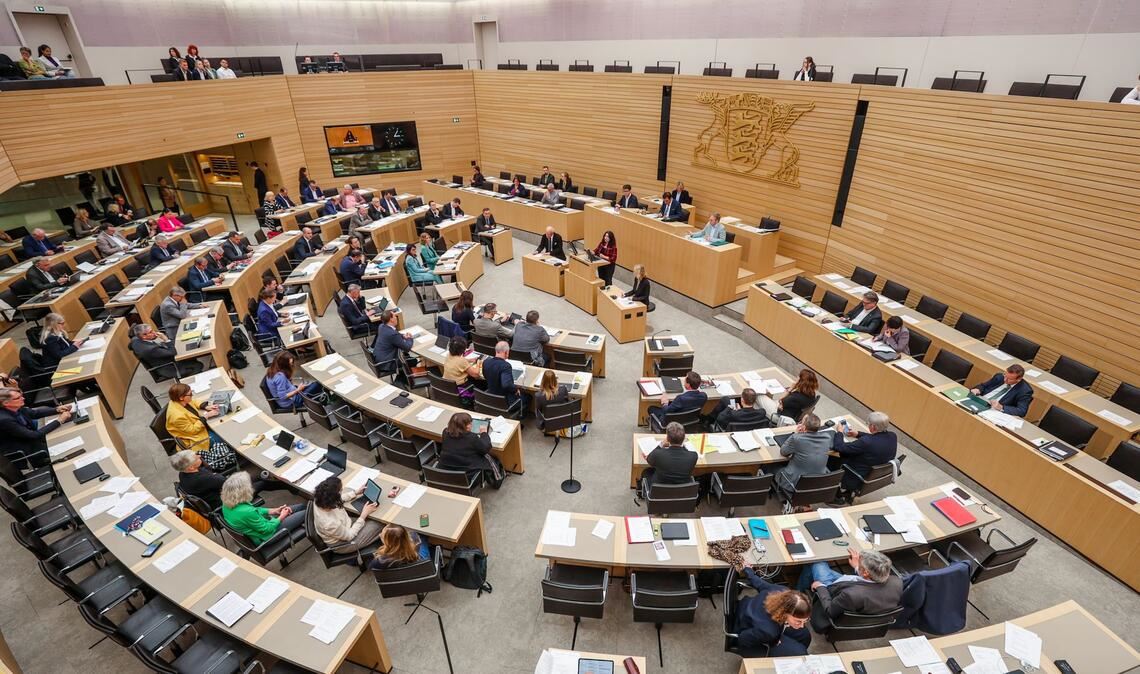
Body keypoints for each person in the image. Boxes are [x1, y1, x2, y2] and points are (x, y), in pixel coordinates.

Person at [801, 548, 903, 634]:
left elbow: (830, 610)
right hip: (855, 588)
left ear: (866, 573)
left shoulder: (851, 595)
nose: (858, 560)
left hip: (832, 594)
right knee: (813, 567)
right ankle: (799, 592)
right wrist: (858, 568)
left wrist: (820, 587)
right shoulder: (897, 582)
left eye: (860, 562)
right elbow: (868, 582)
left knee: (817, 562)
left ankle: (799, 595)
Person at [732, 561, 812, 655]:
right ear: (785, 612)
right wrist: (771, 641)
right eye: (798, 621)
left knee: (804, 634)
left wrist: (748, 570)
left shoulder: (782, 591)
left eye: (805, 621)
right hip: (744, 630)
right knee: (800, 651)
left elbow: (759, 583)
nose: (802, 625)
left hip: (749, 608)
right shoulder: (769, 631)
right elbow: (743, 639)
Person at [828, 412, 898, 505]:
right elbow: (877, 438)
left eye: (868, 424)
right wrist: (857, 434)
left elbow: (839, 447)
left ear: (872, 427)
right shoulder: (893, 436)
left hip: (856, 473)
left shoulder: (866, 442)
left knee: (832, 456)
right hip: (873, 473)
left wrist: (840, 432)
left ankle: (835, 495)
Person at [221, 472, 307, 546]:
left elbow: (254, 510)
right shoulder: (246, 512)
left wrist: (273, 510)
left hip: (263, 525)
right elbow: (267, 529)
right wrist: (281, 517)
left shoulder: (227, 503)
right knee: (306, 513)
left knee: (302, 506)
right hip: (268, 536)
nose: (251, 488)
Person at [166, 382, 236, 471]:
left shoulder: (178, 401)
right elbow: (193, 430)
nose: (192, 395)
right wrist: (206, 416)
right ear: (181, 397)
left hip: (196, 431)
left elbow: (193, 402)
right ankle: (233, 454)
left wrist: (206, 406)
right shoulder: (177, 416)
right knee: (224, 436)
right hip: (195, 439)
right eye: (190, 394)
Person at [0, 388, 72, 468]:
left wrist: (56, 409)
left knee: (66, 436)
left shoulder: (15, 408)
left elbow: (34, 413)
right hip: (29, 453)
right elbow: (33, 435)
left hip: (34, 441)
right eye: (18, 398)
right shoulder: (5, 420)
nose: (23, 398)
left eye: (21, 396)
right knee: (68, 450)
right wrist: (59, 420)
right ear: (6, 403)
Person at [313, 476, 383, 553]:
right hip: (343, 543)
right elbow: (349, 536)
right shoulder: (329, 523)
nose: (342, 492)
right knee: (379, 523)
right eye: (340, 491)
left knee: (371, 518)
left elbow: (337, 498)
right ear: (334, 498)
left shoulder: (320, 498)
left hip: (345, 525)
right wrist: (363, 515)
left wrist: (355, 492)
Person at [438, 412, 503, 487]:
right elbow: (485, 448)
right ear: (465, 426)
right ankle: (498, 480)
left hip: (445, 472)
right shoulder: (472, 438)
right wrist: (484, 434)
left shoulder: (445, 432)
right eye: (469, 424)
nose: (471, 425)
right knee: (488, 457)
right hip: (467, 476)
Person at [774, 413, 831, 495]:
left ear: (803, 427)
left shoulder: (797, 438)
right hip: (817, 481)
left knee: (770, 468)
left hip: (795, 483)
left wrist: (796, 434)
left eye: (801, 422)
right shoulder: (827, 438)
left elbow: (783, 452)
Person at [130, 322, 203, 379]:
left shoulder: (135, 340)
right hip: (169, 367)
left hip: (161, 357)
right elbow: (173, 352)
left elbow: (129, 346)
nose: (155, 333)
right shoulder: (151, 349)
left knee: (189, 353)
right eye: (151, 332)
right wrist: (166, 339)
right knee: (198, 365)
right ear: (144, 336)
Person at [641, 422, 698, 492]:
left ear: (667, 438)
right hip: (682, 492)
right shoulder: (693, 456)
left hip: (659, 492)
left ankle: (644, 492)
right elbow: (684, 452)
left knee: (646, 471)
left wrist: (661, 444)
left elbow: (649, 459)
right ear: (683, 438)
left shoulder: (658, 454)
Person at [483, 341, 526, 410]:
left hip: (491, 396)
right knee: (528, 397)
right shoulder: (506, 366)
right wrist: (515, 389)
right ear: (506, 352)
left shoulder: (486, 362)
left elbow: (485, 376)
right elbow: (506, 385)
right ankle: (520, 417)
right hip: (504, 400)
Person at [535, 370, 570, 435]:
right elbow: (567, 402)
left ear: (543, 381)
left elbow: (538, 410)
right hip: (561, 419)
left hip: (547, 422)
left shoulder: (539, 395)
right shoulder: (563, 389)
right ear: (555, 379)